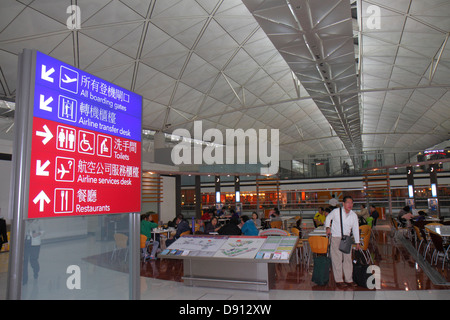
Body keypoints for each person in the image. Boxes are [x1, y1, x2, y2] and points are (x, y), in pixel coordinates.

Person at [325, 195, 360, 288]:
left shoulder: (353, 215)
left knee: (348, 259)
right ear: (343, 204)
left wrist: (357, 242)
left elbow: (356, 229)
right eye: (348, 202)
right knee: (337, 259)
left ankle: (349, 279)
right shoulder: (336, 212)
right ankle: (339, 280)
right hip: (336, 238)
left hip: (347, 239)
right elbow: (328, 218)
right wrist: (328, 227)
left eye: (351, 203)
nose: (350, 205)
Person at [23, 219, 43, 284]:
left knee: (33, 260)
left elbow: (43, 231)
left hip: (35, 243)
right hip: (26, 243)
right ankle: (24, 279)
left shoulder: (39, 221)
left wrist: (37, 233)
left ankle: (36, 270)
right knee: (25, 260)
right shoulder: (24, 221)